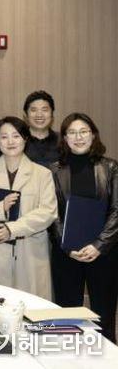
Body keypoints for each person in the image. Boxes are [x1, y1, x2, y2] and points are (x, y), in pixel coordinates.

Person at [0, 117, 57, 299]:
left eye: (16, 136)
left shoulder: (43, 174)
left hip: (30, 251)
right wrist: (0, 207)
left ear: (25, 138)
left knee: (30, 307)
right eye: (4, 137)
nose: (10, 141)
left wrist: (12, 229)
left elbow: (48, 212)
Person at [49, 113, 118, 342]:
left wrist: (99, 245)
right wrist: (67, 246)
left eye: (83, 131)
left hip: (104, 253)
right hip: (66, 253)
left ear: (93, 135)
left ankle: (107, 357)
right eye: (72, 132)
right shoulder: (54, 170)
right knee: (68, 317)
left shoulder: (110, 167)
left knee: (103, 315)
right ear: (65, 138)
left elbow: (116, 210)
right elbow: (52, 214)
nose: (78, 137)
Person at [23, 90, 59, 167]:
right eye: (33, 110)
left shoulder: (62, 141)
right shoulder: (17, 140)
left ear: (52, 114)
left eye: (44, 110)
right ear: (26, 115)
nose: (39, 115)